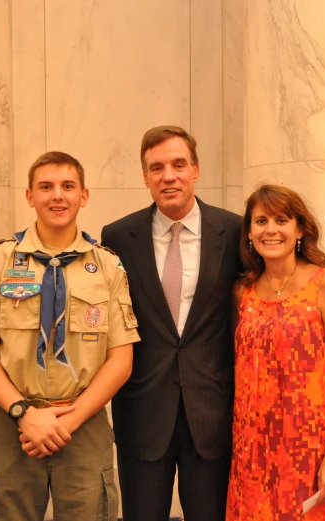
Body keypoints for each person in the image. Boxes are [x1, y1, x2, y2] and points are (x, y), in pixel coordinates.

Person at [0, 151, 140, 521]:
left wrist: (68, 420)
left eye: (68, 186)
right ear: (29, 196)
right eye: (46, 187)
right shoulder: (0, 261)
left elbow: (121, 359)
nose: (58, 195)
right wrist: (24, 414)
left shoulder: (106, 266)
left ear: (83, 195)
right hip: (13, 422)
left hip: (82, 422)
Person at [101, 126, 242, 521]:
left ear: (196, 170)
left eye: (179, 164)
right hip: (143, 415)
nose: (169, 176)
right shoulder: (117, 237)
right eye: (157, 167)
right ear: (145, 177)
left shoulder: (234, 231)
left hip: (212, 415)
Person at [226, 184, 325, 521]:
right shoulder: (244, 291)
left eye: (281, 220)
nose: (270, 229)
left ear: (299, 229)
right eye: (260, 221)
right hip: (252, 450)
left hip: (309, 447)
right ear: (249, 232)